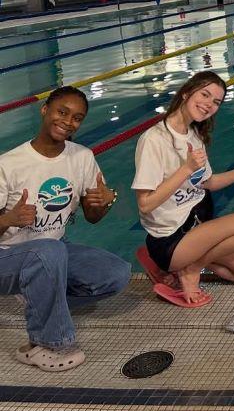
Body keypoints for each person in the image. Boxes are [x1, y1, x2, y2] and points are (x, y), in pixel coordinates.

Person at [0, 87, 130, 372]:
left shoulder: (81, 157)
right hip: (6, 256)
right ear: (44, 109)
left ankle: (40, 296)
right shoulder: (9, 164)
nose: (68, 121)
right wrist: (7, 219)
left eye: (77, 118)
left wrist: (107, 200)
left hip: (53, 250)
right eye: (62, 112)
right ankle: (48, 344)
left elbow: (93, 215)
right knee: (47, 250)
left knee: (116, 274)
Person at [132, 71, 234, 308]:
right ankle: (189, 269)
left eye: (216, 101)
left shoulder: (194, 134)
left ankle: (185, 265)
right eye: (205, 95)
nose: (209, 104)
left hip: (198, 229)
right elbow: (145, 204)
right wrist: (186, 169)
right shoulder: (154, 139)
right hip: (171, 239)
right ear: (186, 93)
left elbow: (206, 183)